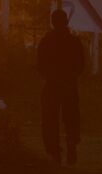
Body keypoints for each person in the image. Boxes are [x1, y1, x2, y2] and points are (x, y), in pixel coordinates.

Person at [36, 9, 84, 165]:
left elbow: (40, 67)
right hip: (69, 85)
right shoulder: (75, 42)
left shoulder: (46, 42)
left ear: (52, 22)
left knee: (50, 120)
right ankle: (71, 145)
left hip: (52, 85)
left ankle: (54, 152)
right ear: (66, 22)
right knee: (71, 118)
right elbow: (81, 66)